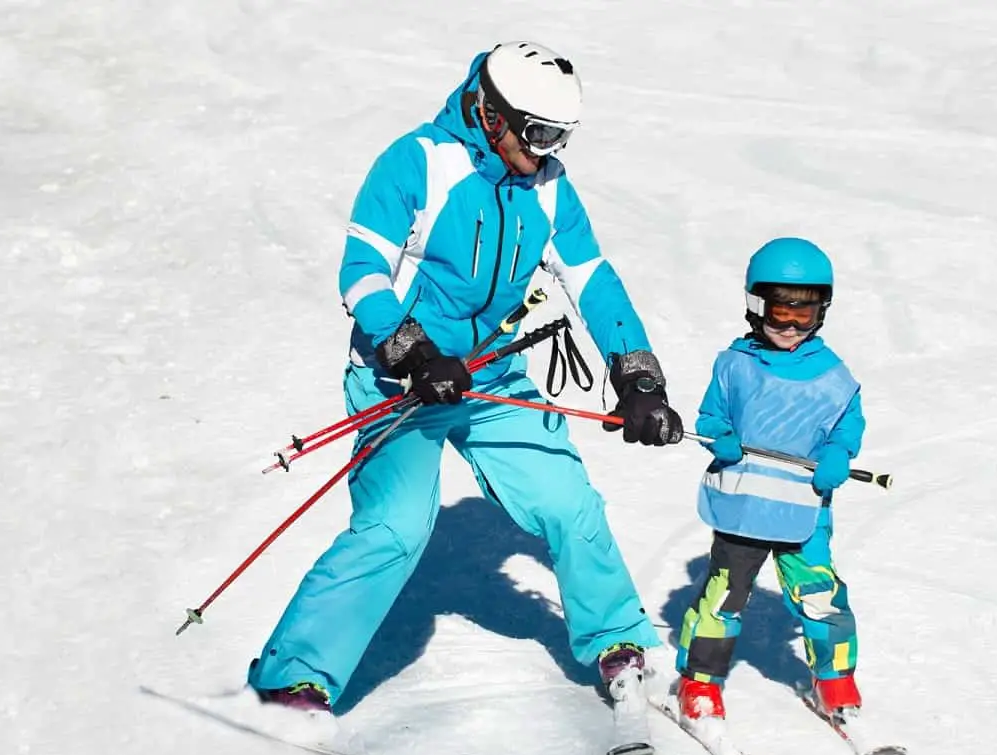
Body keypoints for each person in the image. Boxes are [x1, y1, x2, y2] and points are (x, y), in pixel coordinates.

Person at [247, 41, 683, 715]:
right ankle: (293, 677)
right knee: (394, 528)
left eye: (561, 137)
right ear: (489, 114)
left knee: (569, 502)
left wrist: (638, 377)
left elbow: (593, 280)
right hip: (399, 384)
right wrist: (412, 351)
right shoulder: (418, 163)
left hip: (492, 378)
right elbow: (360, 272)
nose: (547, 151)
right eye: (538, 134)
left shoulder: (546, 186)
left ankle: (618, 644)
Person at [673, 237, 868, 730]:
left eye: (804, 314)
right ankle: (699, 682)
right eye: (780, 311)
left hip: (804, 513)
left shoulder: (835, 377)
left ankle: (835, 680)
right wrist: (719, 438)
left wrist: (839, 455)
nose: (789, 326)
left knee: (819, 595)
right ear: (755, 306)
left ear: (822, 312)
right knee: (725, 595)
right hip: (743, 509)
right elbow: (711, 417)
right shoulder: (735, 365)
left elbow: (848, 426)